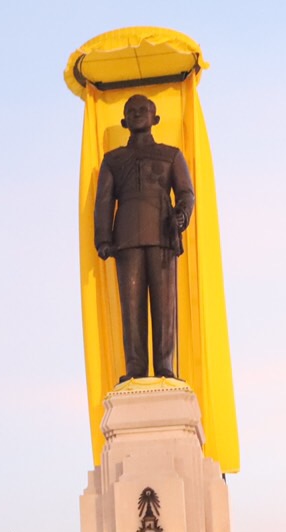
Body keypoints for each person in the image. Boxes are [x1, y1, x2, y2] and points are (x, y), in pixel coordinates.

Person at [93, 93, 195, 381]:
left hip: (163, 233)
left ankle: (165, 366)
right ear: (124, 120)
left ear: (155, 118)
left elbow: (186, 193)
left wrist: (182, 215)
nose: (137, 113)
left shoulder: (171, 155)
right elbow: (104, 201)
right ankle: (135, 368)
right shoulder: (113, 160)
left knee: (165, 306)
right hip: (126, 239)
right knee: (132, 305)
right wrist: (102, 238)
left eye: (143, 110)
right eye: (131, 111)